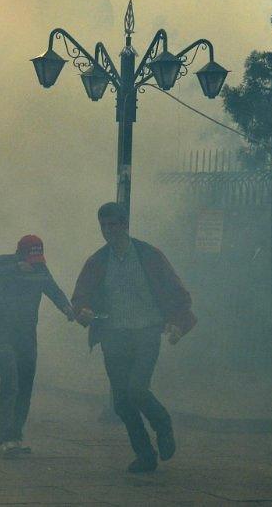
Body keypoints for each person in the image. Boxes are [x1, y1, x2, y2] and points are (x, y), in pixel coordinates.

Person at [71, 202, 197, 473]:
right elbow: (80, 297)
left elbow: (176, 292)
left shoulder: (149, 255)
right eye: (103, 226)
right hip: (113, 335)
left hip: (146, 332)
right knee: (121, 402)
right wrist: (83, 311)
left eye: (113, 224)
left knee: (137, 389)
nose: (108, 231)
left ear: (125, 224)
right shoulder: (97, 261)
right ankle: (145, 455)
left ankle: (162, 423)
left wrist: (177, 324)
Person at [0, 235, 75, 455]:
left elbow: (54, 291)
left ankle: (15, 437)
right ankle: (4, 439)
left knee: (24, 387)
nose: (34, 265)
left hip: (27, 339)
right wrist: (14, 269)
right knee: (10, 381)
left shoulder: (41, 270)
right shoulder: (4, 262)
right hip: (2, 336)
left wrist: (67, 308)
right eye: (30, 260)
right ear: (20, 254)